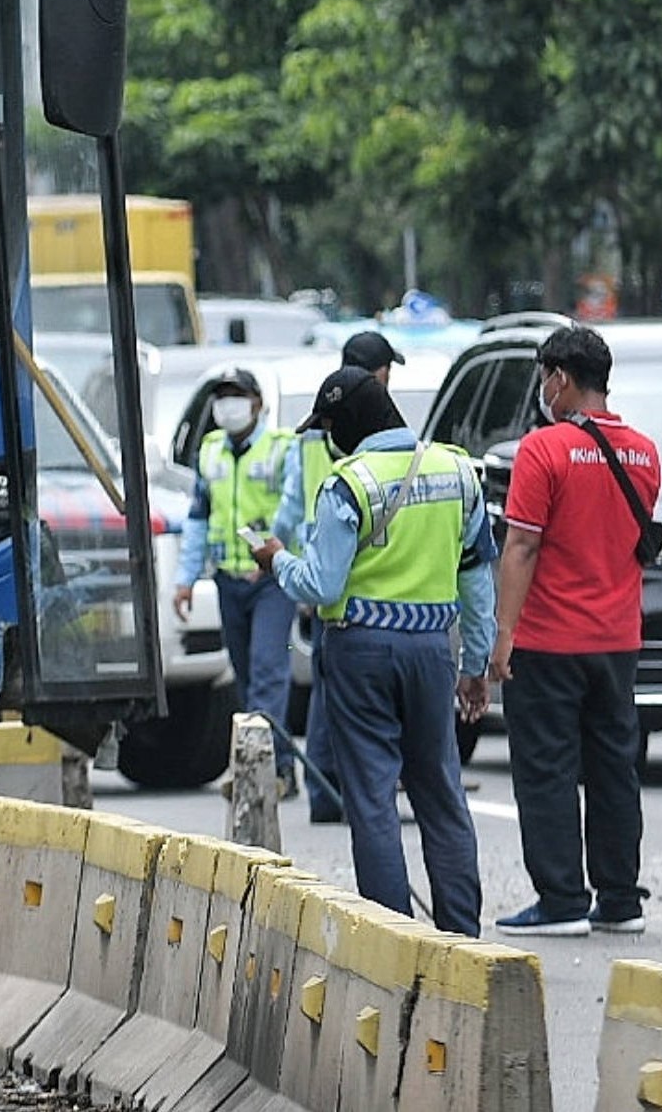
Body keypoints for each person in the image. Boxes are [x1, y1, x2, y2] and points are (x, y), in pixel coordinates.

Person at [257, 365, 495, 936]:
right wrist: (476, 665)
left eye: (329, 427)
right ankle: (463, 937)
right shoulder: (458, 473)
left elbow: (322, 585)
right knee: (441, 792)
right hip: (432, 650)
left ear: (349, 423)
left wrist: (277, 560)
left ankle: (395, 938)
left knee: (371, 798)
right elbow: (477, 581)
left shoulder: (347, 485)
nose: (329, 440)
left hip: (359, 651)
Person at [486, 323, 660, 938]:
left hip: (549, 640)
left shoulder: (542, 450)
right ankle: (619, 898)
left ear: (560, 378)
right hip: (618, 641)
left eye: (544, 378)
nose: (544, 390)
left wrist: (502, 635)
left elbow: (522, 547)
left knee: (547, 769)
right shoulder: (644, 452)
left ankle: (560, 899)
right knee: (614, 768)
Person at [276, 326, 399, 825]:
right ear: (378, 376)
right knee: (353, 695)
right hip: (368, 583)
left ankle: (328, 791)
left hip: (323, 575)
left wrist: (284, 562)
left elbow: (289, 508)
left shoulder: (312, 441)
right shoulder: (387, 443)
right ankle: (351, 791)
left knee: (329, 689)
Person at [172, 368, 299, 796]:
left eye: (237, 395)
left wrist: (270, 556)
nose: (228, 405)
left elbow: (293, 508)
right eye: (222, 396)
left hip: (271, 578)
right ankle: (279, 764)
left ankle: (260, 772)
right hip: (229, 578)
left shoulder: (281, 448)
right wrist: (185, 580)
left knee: (267, 669)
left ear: (257, 403)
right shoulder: (210, 451)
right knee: (244, 676)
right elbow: (198, 517)